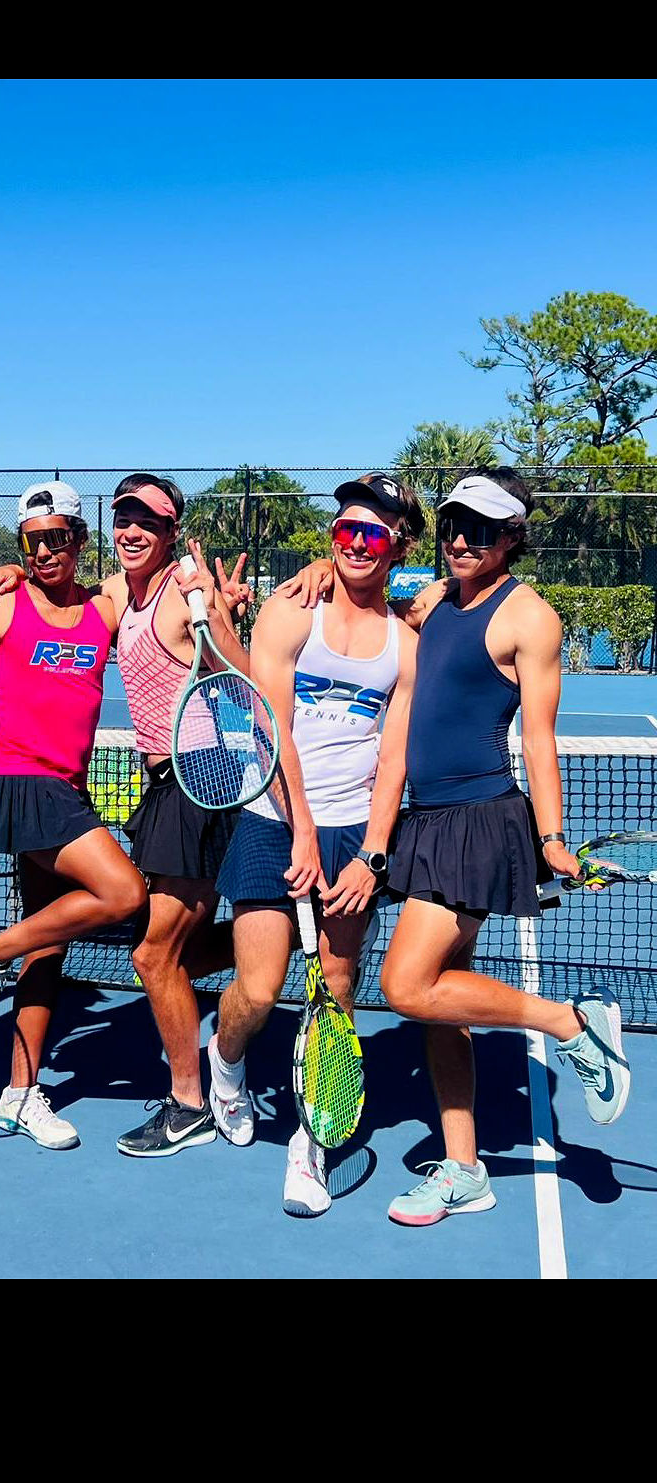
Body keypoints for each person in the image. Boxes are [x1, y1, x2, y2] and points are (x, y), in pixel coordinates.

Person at [0, 472, 253, 1158]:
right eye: (125, 518)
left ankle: (190, 1100)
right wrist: (9, 570)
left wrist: (222, 620)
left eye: (149, 523)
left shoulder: (183, 593)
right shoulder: (120, 593)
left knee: (153, 951)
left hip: (200, 779)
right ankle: (256, 988)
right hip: (162, 783)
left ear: (171, 532)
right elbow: (49, 594)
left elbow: (245, 687)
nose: (133, 530)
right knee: (170, 946)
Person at [377, 469, 630, 1225]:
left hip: (479, 820)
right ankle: (463, 1168)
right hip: (426, 819)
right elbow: (377, 593)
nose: (461, 539)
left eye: (482, 529)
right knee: (441, 1001)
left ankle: (570, 1025)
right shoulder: (436, 600)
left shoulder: (531, 618)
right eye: (454, 523)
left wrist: (552, 837)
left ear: (514, 537)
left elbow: (541, 737)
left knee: (405, 985)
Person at [211, 473, 422, 1214]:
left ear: (398, 543)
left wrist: (371, 855)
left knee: (335, 988)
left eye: (373, 533)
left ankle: (310, 1148)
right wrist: (301, 829)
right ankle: (225, 1060)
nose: (357, 545)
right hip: (274, 821)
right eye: (345, 532)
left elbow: (393, 757)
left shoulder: (406, 642)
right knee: (260, 991)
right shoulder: (289, 610)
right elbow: (273, 725)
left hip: (351, 835)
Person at [0, 481, 150, 1150]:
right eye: (33, 541)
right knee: (123, 892)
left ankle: (21, 1094)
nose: (46, 550)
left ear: (81, 541)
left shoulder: (104, 609)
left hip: (67, 788)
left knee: (47, 947)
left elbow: (159, 576)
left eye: (59, 537)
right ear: (22, 546)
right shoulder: (0, 607)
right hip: (19, 783)